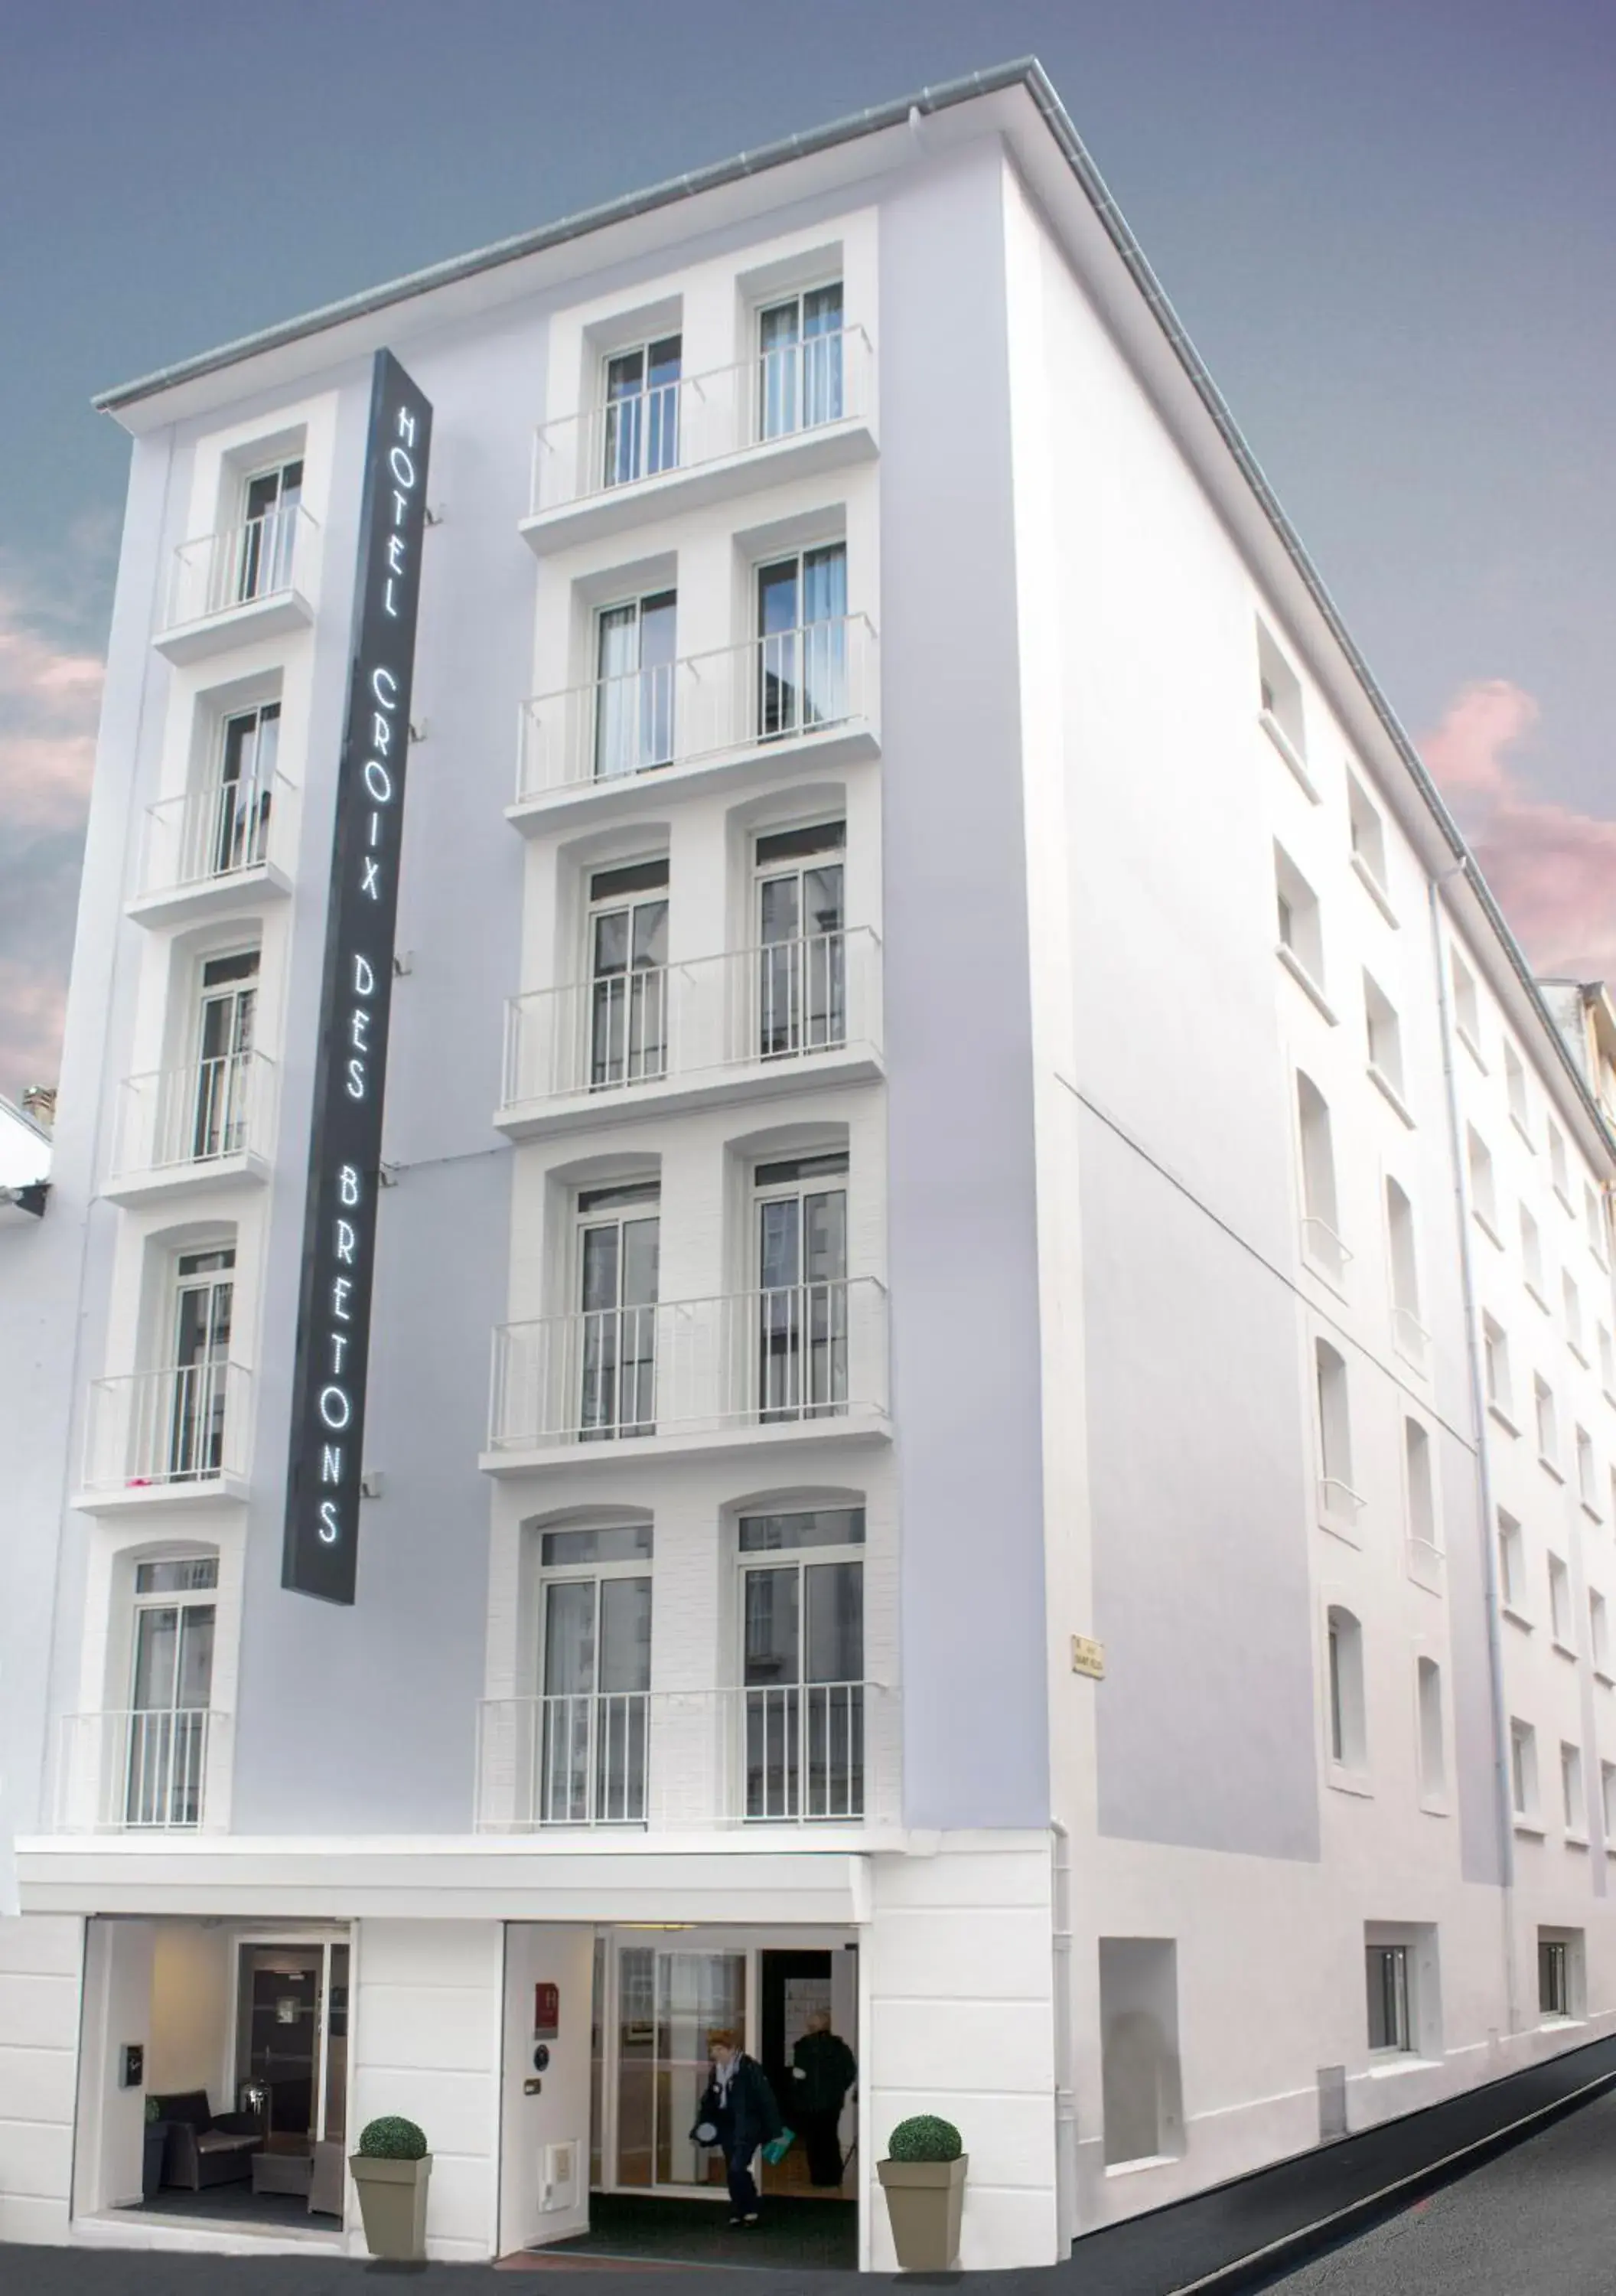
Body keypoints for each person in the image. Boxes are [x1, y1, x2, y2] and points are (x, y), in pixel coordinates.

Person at [692, 2027, 782, 2227]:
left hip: (748, 2126)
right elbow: (709, 2101)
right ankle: (741, 2207)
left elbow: (766, 2099)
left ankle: (749, 2206)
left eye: (718, 2050)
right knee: (733, 2167)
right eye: (713, 2050)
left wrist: (776, 2131)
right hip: (727, 2125)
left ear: (731, 2049)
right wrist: (700, 2128)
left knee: (737, 2167)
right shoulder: (717, 2070)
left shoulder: (749, 2068)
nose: (715, 2054)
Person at [790, 2009, 856, 2187]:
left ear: (810, 2026)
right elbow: (850, 2072)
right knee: (830, 2138)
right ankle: (833, 2177)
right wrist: (838, 2089)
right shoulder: (839, 2047)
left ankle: (817, 2177)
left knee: (814, 2141)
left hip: (808, 2101)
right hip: (832, 2102)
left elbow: (799, 2074)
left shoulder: (803, 2047)